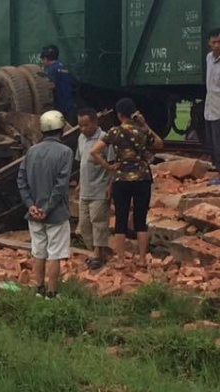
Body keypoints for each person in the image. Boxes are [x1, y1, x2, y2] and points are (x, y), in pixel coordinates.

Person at [90, 97, 164, 267]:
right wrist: (144, 124)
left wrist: (109, 166)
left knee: (121, 219)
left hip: (121, 180)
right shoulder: (142, 131)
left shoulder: (114, 132)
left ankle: (121, 260)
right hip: (143, 179)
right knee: (140, 220)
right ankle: (143, 259)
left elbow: (94, 151)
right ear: (134, 113)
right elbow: (159, 144)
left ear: (119, 115)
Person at [17, 110, 73, 299]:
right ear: (62, 129)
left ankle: (39, 290)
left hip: (33, 214)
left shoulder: (32, 151)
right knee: (54, 254)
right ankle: (52, 293)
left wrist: (30, 205)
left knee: (39, 252)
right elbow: (61, 185)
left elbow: (21, 180)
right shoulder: (65, 152)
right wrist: (47, 208)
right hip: (55, 214)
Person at [75, 108, 114, 270]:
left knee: (98, 222)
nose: (83, 129)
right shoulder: (81, 139)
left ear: (95, 123)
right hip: (85, 188)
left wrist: (110, 186)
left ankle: (97, 255)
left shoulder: (105, 139)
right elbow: (81, 163)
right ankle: (98, 251)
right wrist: (78, 183)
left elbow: (113, 165)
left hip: (99, 188)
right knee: (84, 224)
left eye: (86, 125)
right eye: (80, 125)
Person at [40, 45, 76, 124]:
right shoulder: (64, 67)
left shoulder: (51, 70)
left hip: (59, 107)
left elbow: (50, 86)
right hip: (69, 106)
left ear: (45, 59)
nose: (43, 63)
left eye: (43, 60)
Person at [204, 28, 220, 183]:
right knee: (211, 142)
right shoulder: (209, 58)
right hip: (210, 107)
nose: (216, 45)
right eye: (214, 42)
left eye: (219, 42)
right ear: (209, 43)